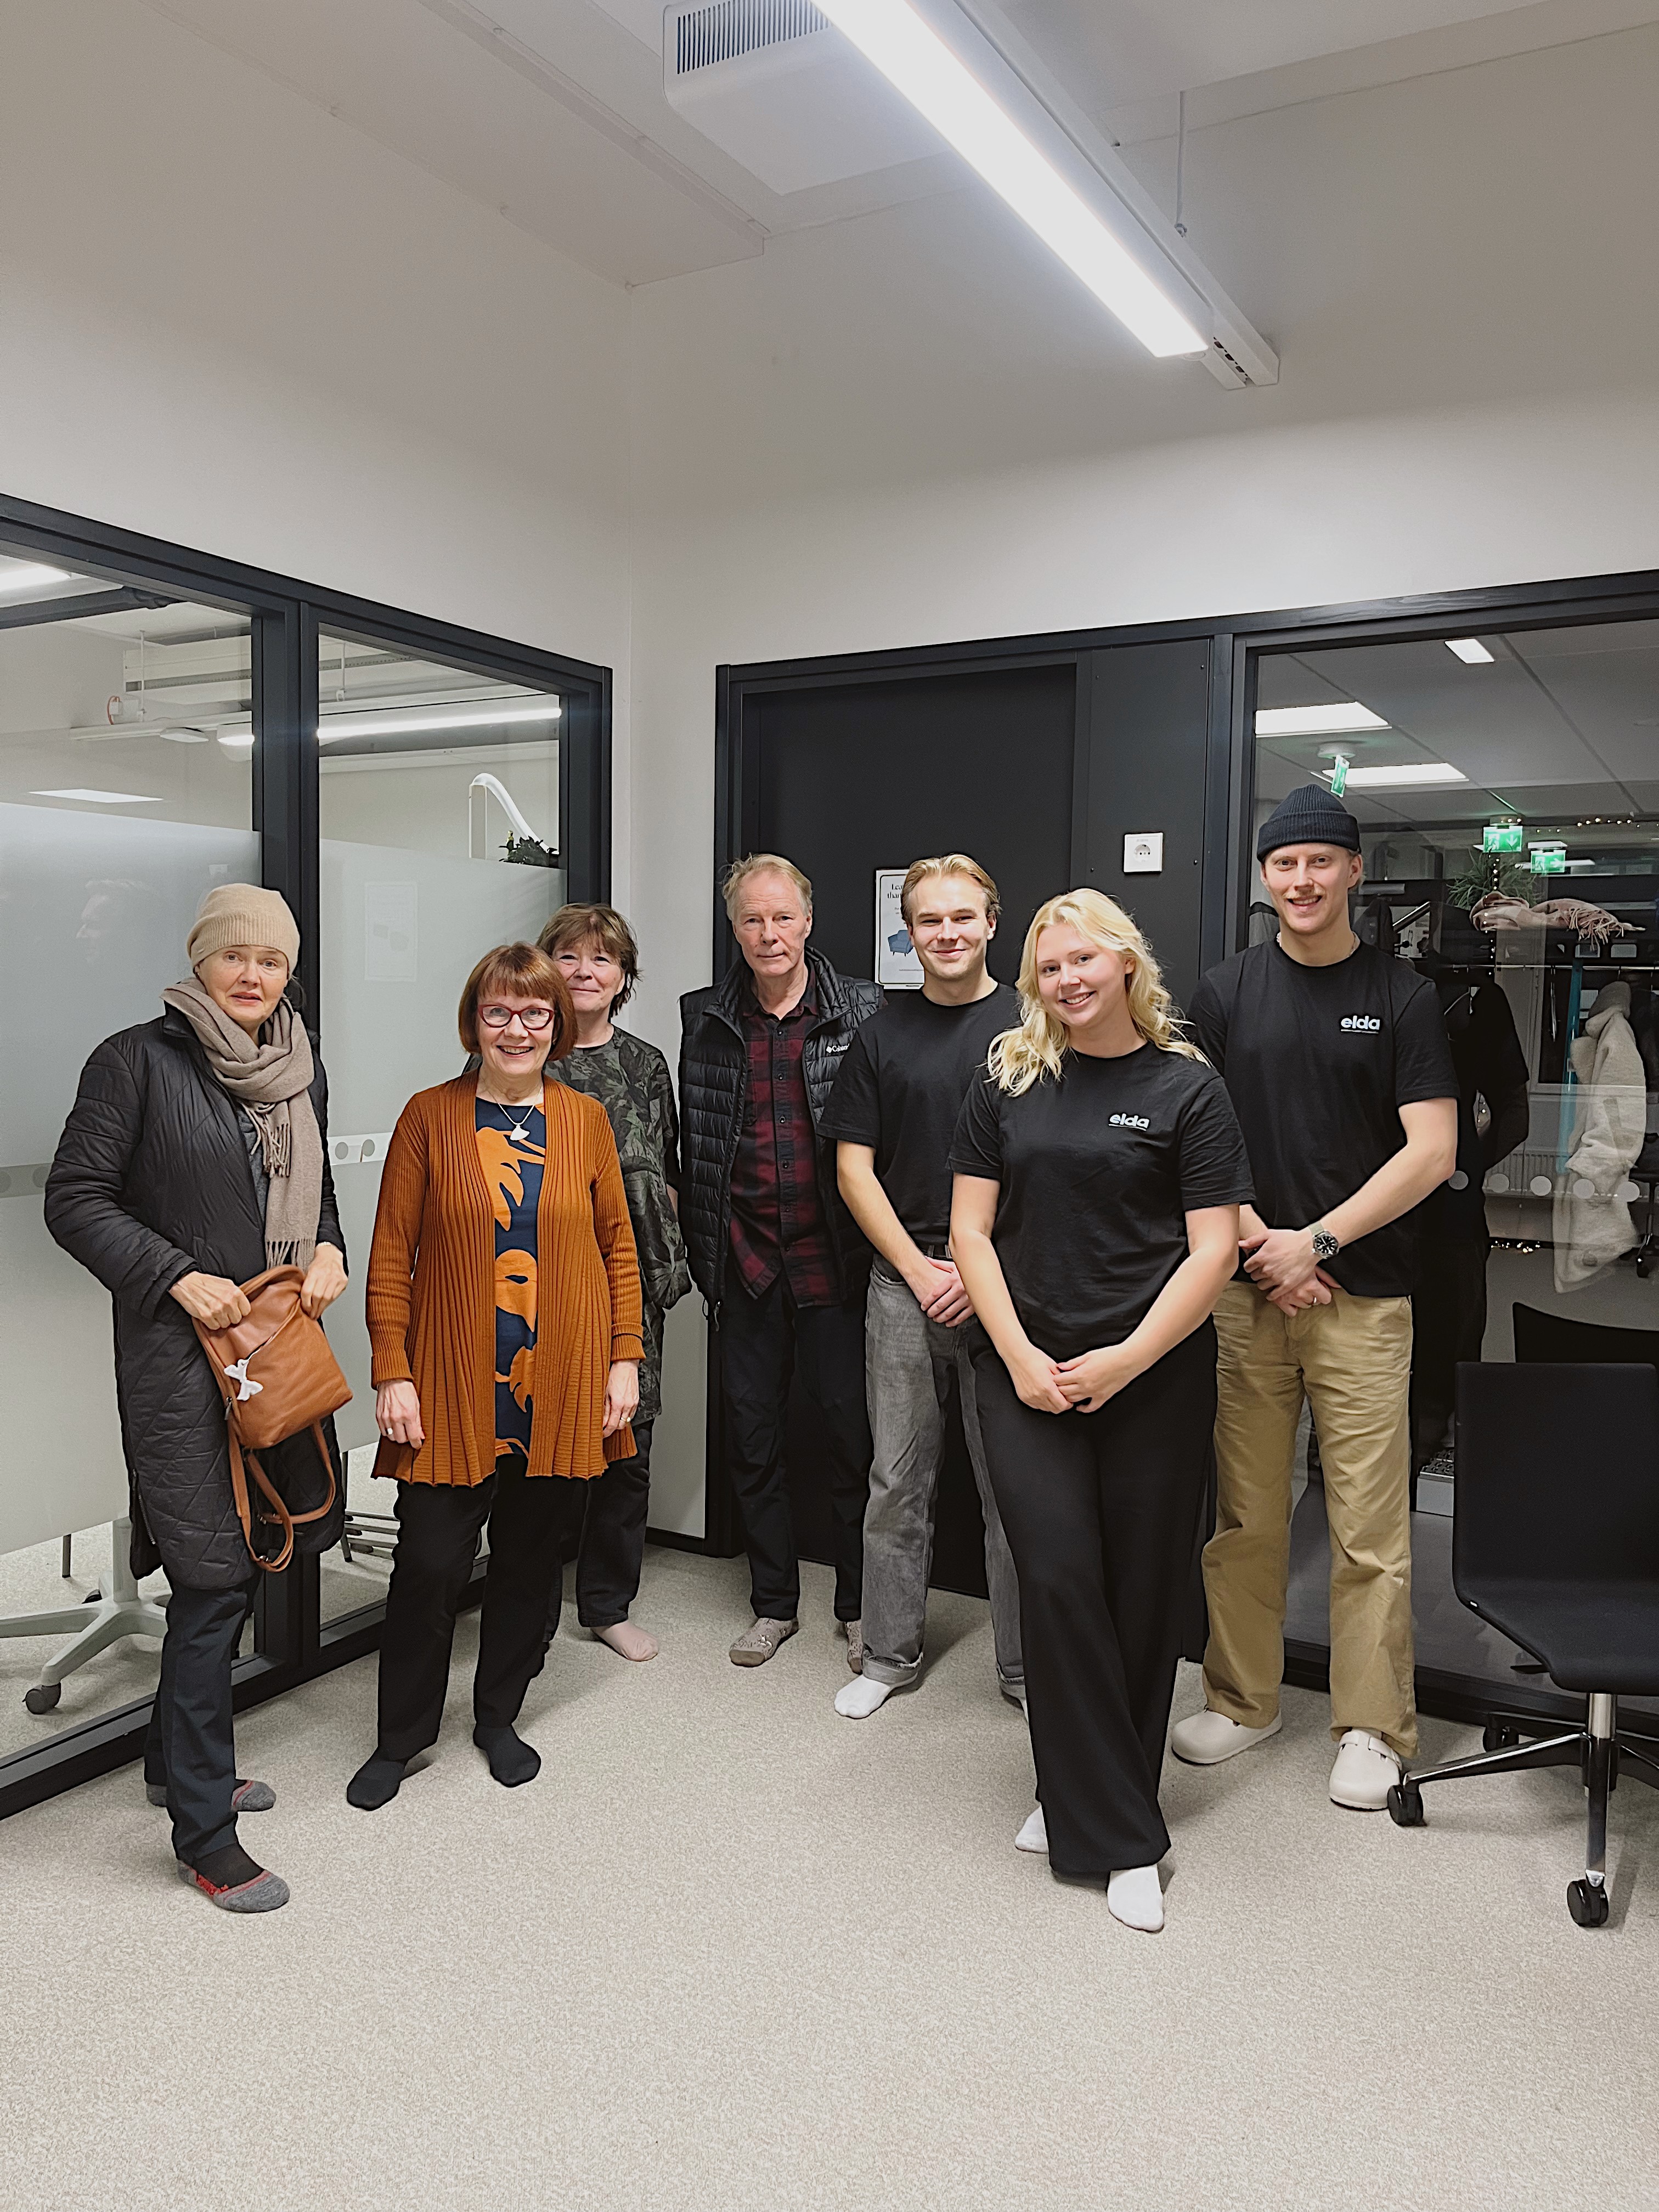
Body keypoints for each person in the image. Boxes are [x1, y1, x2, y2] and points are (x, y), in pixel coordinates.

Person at [950, 889, 1250, 1933]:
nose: (1067, 979)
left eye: (1084, 959)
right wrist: (1019, 1356)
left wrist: (1124, 1360)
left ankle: (1072, 1792)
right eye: (1050, 966)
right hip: (1026, 1371)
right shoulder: (1006, 1078)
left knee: (1142, 1593)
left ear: (1126, 964)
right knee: (1059, 1576)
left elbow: (1213, 1248)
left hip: (1152, 1375)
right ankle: (1124, 1837)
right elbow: (971, 1233)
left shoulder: (1188, 1088)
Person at [46, 884, 349, 1914]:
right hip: (179, 1361)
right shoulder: (134, 1061)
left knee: (259, 1546)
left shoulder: (300, 1065)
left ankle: (173, 1765)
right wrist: (175, 1275)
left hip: (275, 1347)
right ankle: (207, 1837)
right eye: (235, 956)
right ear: (201, 961)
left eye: (272, 959)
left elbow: (316, 1191)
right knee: (215, 1580)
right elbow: (74, 1200)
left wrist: (330, 1249)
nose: (253, 975)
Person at [1172, 785, 1458, 1810]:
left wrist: (1318, 1242)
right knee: (1244, 1516)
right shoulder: (1223, 993)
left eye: (1320, 862)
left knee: (1369, 1529)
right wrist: (1265, 1248)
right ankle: (1243, 1700)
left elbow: (1432, 1151)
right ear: (1264, 877)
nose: (1302, 880)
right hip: (1248, 1295)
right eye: (1284, 864)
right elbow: (1190, 1135)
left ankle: (1374, 1728)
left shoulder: (1403, 996)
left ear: (1353, 871)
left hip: (1363, 1299)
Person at [347, 944, 642, 1810]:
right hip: (449, 1384)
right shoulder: (429, 1116)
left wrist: (624, 1359)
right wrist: (392, 1370)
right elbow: (391, 1256)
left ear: (556, 1025)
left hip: (564, 1381)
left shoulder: (585, 1120)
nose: (517, 1029)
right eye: (499, 1012)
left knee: (529, 1562)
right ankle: (401, 1738)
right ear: (473, 1023)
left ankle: (499, 1717)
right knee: (430, 1566)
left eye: (535, 1013)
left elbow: (618, 1248)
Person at [821, 853, 1024, 1719]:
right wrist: (917, 1267)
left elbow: (1056, 1161)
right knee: (896, 1481)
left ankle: (1025, 1670)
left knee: (1015, 1490)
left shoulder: (1036, 1023)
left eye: (961, 917)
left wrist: (980, 1274)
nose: (947, 933)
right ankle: (888, 1654)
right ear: (908, 934)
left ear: (991, 922)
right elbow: (853, 1170)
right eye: (929, 921)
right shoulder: (881, 1035)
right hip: (903, 1283)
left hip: (1007, 1286)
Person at [679, 854, 882, 1667]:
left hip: (836, 1261)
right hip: (746, 1262)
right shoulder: (703, 1016)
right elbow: (697, 1142)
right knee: (752, 1439)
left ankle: (860, 1606)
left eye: (783, 917)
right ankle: (773, 1604)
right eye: (753, 920)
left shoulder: (863, 1009)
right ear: (735, 929)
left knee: (852, 1442)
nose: (769, 934)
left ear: (809, 921)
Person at [539, 902, 691, 1661]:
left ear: (624, 976)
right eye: (568, 957)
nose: (585, 972)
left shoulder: (646, 1064)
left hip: (631, 1281)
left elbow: (667, 1171)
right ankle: (530, 1607)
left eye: (602, 959)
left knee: (627, 1449)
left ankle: (606, 1605)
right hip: (544, 1283)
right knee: (540, 1449)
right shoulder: (521, 1055)